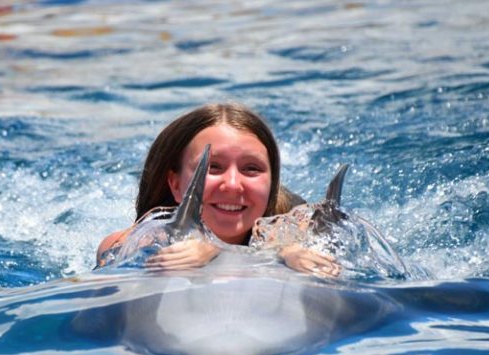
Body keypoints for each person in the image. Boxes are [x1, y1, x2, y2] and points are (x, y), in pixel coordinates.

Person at [97, 103, 339, 276]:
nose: (233, 184)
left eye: (251, 169)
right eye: (213, 167)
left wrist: (285, 252)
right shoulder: (138, 240)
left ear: (270, 185)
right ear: (176, 184)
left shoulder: (298, 230)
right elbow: (113, 254)